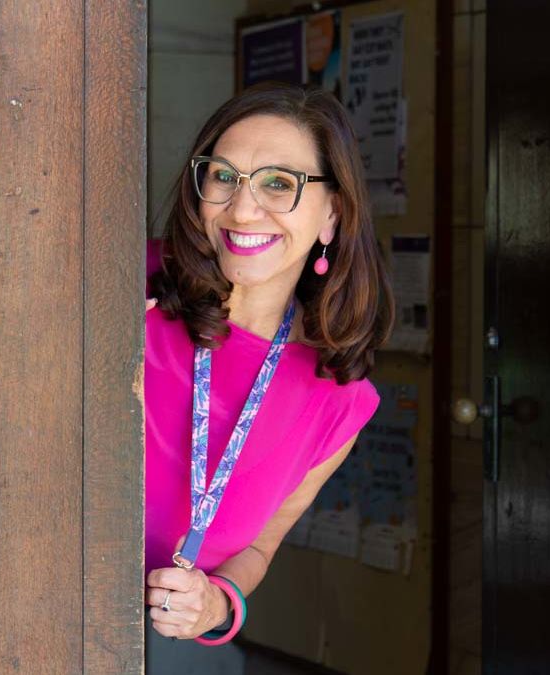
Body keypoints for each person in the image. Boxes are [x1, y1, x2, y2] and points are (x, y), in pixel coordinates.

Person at [143, 82, 393, 667]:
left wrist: (216, 606)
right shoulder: (130, 281)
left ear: (333, 214)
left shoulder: (340, 398)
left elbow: (258, 545)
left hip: (165, 654)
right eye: (223, 176)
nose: (242, 208)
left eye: (279, 184)